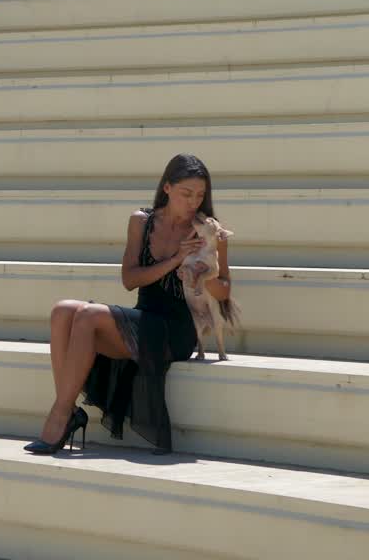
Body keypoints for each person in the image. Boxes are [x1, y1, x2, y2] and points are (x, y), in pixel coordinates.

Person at [24, 153, 231, 455]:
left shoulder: (210, 231)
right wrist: (174, 259)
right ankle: (67, 412)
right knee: (62, 311)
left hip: (176, 329)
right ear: (167, 188)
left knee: (87, 315)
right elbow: (129, 279)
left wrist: (201, 271)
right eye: (186, 194)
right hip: (145, 315)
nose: (193, 202)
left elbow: (224, 291)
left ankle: (59, 418)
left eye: (200, 195)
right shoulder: (141, 221)